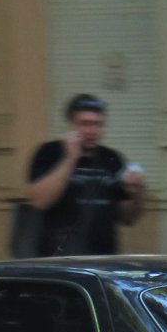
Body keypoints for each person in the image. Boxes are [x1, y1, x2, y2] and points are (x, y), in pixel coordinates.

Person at [23, 94, 145, 255]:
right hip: (58, 258)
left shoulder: (112, 158)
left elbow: (128, 218)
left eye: (98, 125)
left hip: (103, 259)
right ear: (71, 124)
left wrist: (137, 193)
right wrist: (70, 158)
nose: (92, 131)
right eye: (85, 124)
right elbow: (40, 201)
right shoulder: (50, 152)